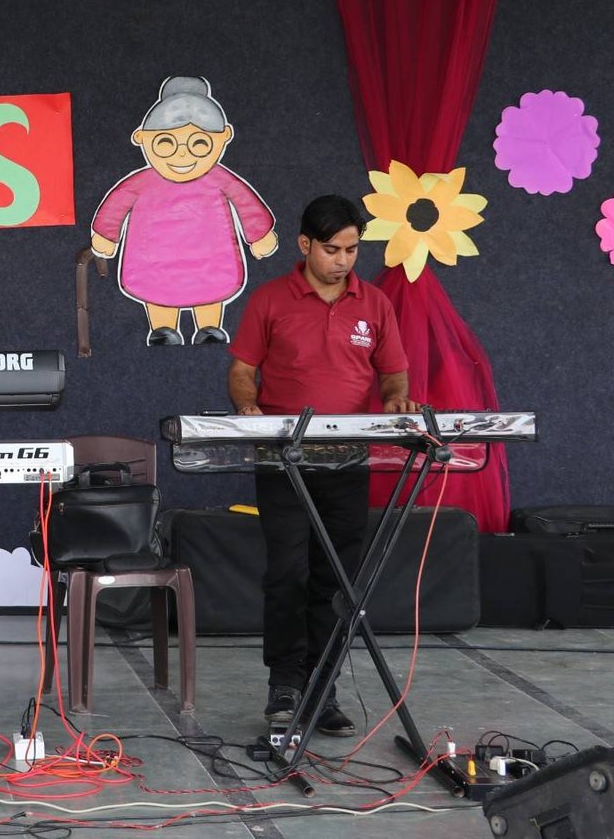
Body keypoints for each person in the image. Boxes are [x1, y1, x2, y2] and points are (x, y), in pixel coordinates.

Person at [227, 195, 414, 736]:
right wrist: (247, 406)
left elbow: (393, 373)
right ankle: (286, 684)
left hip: (347, 461)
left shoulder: (375, 303)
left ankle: (323, 687)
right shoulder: (269, 299)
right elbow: (242, 370)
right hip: (284, 460)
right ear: (305, 244)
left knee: (337, 578)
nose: (343, 260)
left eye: (352, 250)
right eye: (332, 249)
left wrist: (396, 398)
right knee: (287, 572)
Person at [90, 76, 278, 346]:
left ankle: (209, 327)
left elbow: (244, 202)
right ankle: (163, 328)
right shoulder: (141, 183)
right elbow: (116, 205)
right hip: (154, 256)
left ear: (223, 137)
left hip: (210, 253)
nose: (182, 155)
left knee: (211, 287)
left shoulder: (220, 179)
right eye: (166, 143)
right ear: (142, 138)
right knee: (157, 289)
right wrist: (107, 235)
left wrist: (258, 234)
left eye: (198, 144)